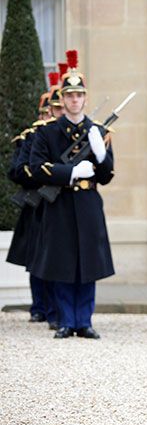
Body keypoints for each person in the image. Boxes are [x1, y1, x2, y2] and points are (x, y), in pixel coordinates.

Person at [28, 50, 115, 339]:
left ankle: (84, 320)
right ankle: (66, 321)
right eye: (70, 95)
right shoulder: (48, 133)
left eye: (79, 95)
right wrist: (70, 173)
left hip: (88, 202)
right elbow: (36, 168)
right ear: (62, 99)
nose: (74, 100)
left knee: (88, 263)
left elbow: (106, 176)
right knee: (64, 262)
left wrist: (101, 154)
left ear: (85, 98)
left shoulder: (98, 131)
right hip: (61, 203)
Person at [6, 71, 62, 327]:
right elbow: (17, 169)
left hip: (59, 201)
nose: (52, 114)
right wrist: (40, 175)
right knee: (36, 258)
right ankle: (39, 306)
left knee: (55, 256)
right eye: (51, 109)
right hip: (37, 204)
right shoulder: (32, 137)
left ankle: (56, 307)